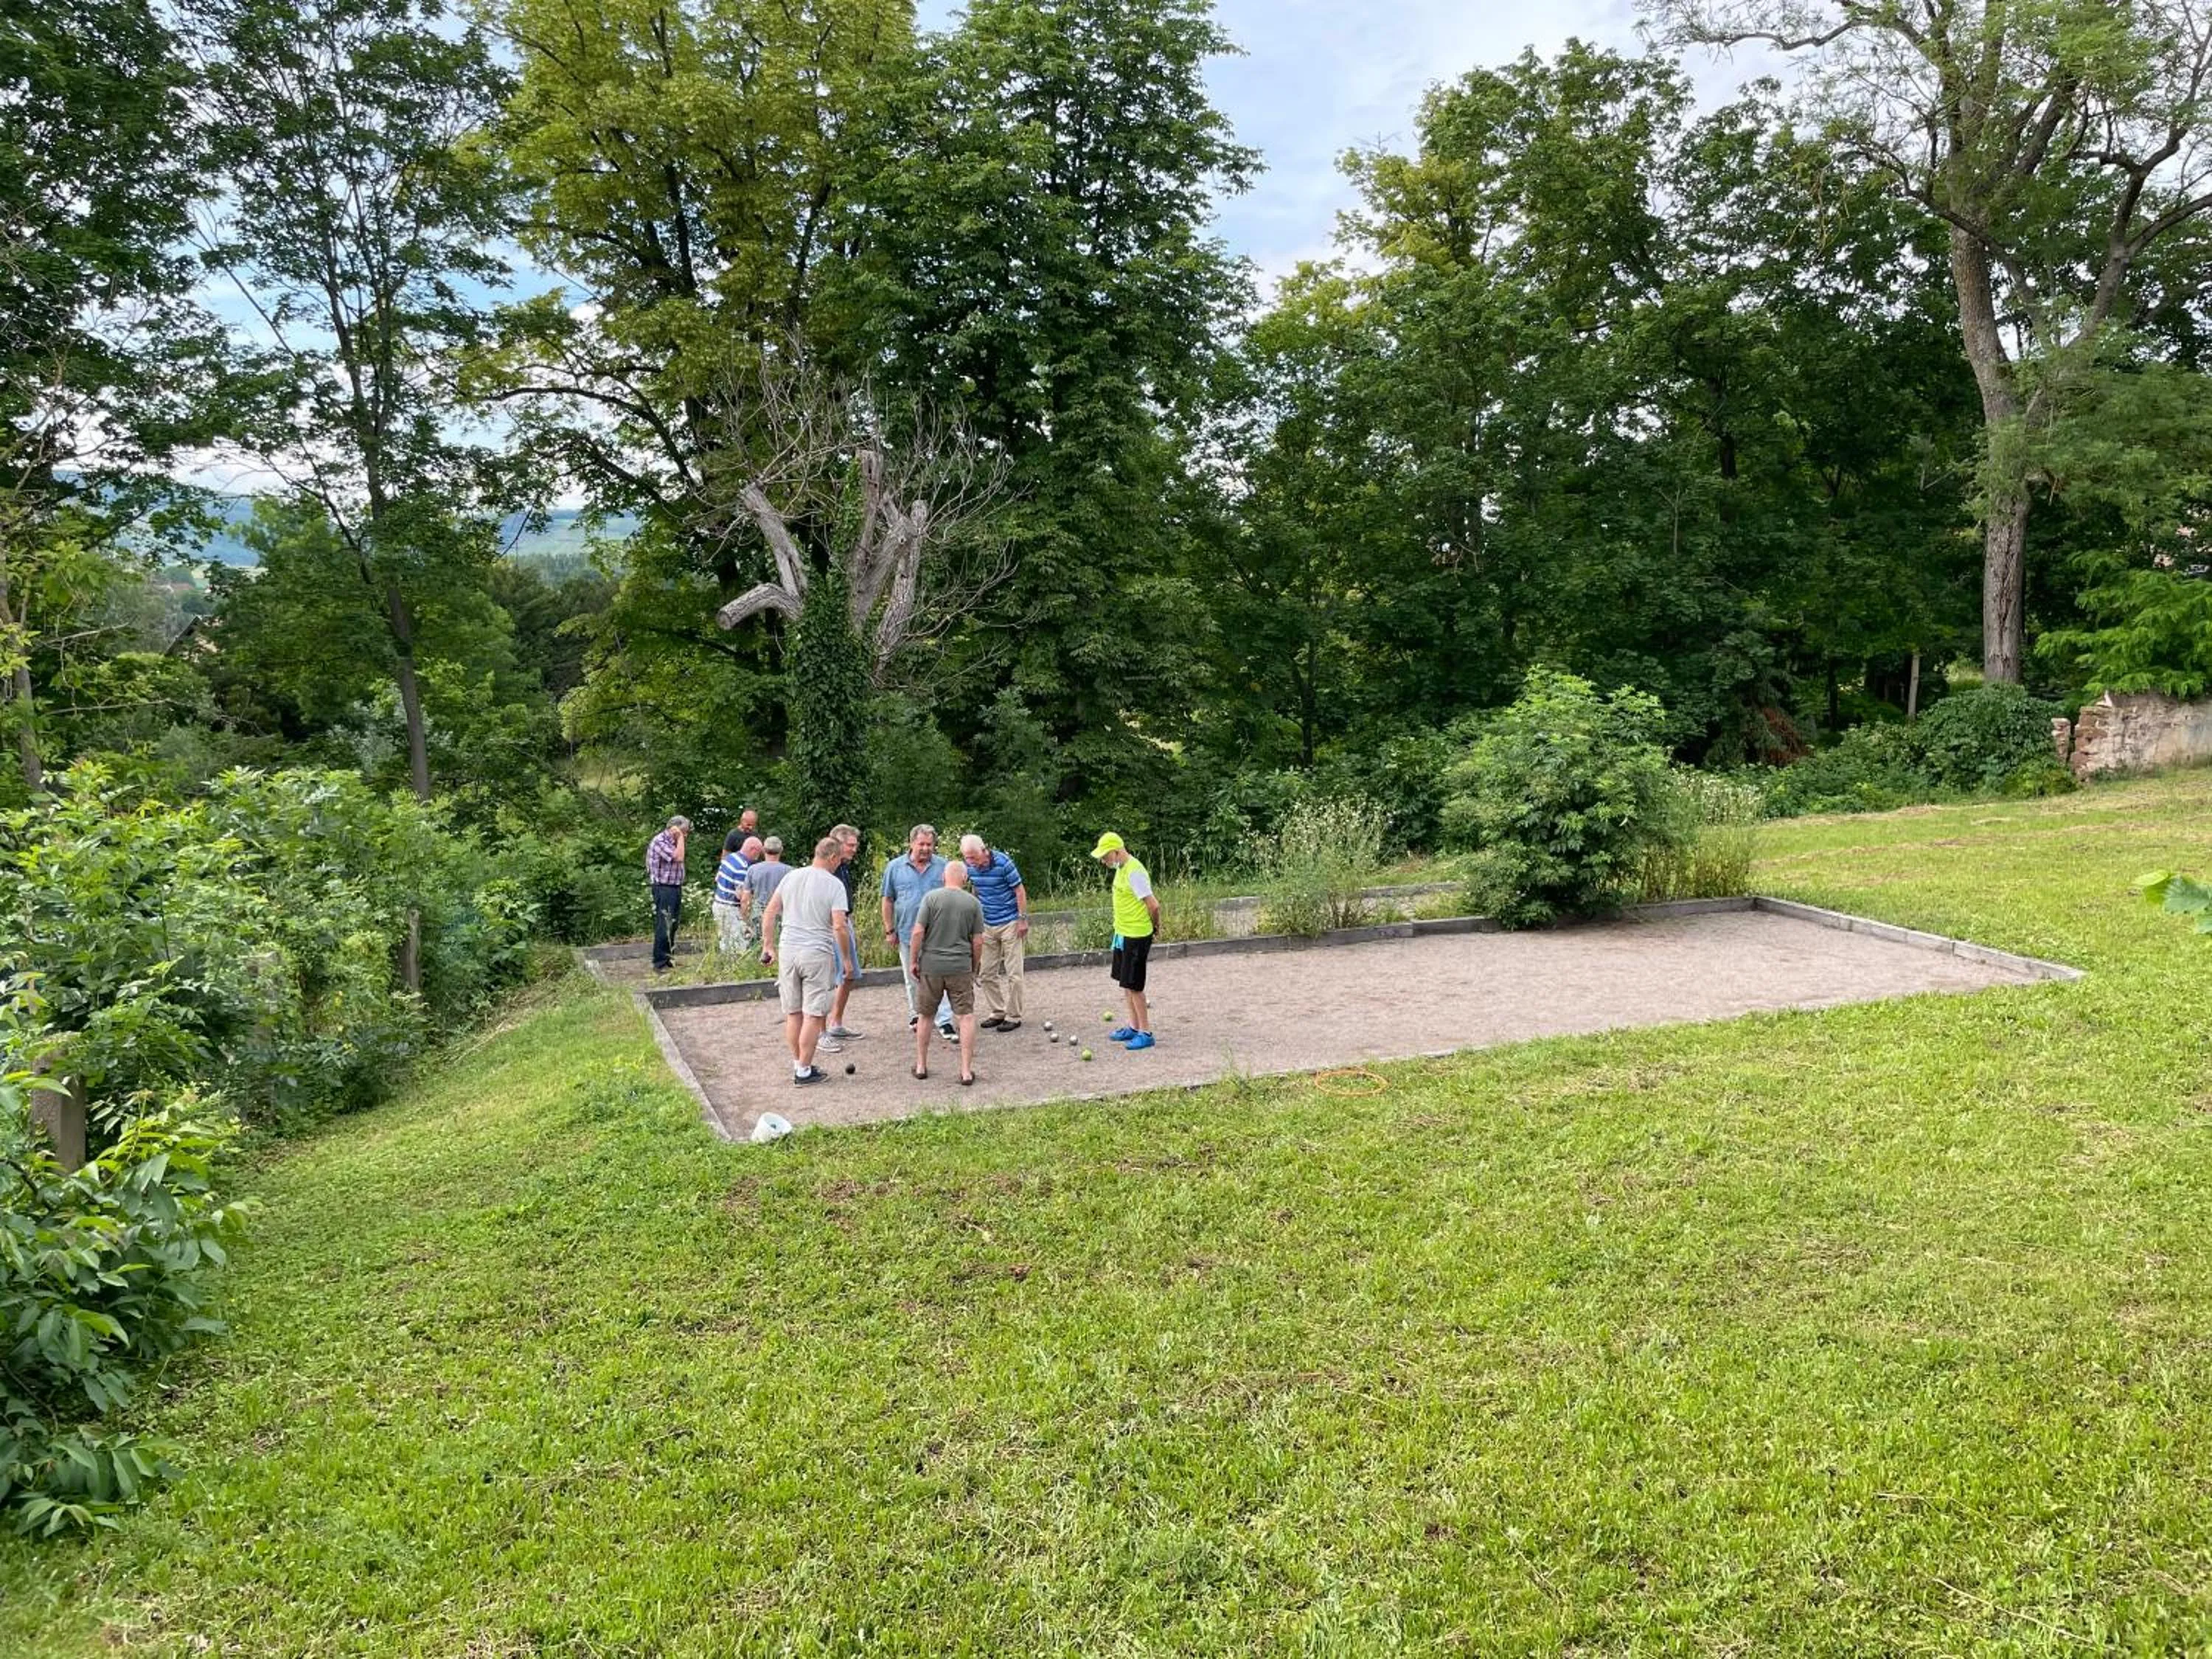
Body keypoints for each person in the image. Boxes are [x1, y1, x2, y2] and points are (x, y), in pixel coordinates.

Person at [758, 835, 854, 1086]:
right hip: (817, 953)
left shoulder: (791, 876)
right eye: (839, 860)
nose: (839, 864)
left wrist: (768, 945)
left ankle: (799, 1063)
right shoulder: (834, 885)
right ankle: (803, 1070)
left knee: (793, 1013)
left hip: (788, 950)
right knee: (813, 1014)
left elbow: (770, 912)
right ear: (832, 857)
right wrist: (845, 958)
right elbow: (839, 927)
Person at [910, 860, 985, 1085]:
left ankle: (922, 1065)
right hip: (960, 966)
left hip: (932, 966)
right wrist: (974, 966)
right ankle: (965, 1071)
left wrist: (914, 960)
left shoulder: (931, 899)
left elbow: (917, 932)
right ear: (964, 878)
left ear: (944, 877)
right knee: (966, 1017)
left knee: (925, 1016)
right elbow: (979, 941)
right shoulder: (973, 903)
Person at [880, 824, 953, 1037]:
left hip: (939, 933)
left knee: (940, 976)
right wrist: (889, 930)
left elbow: (953, 896)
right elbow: (887, 899)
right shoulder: (894, 867)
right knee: (912, 976)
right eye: (921, 844)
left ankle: (944, 1019)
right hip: (906, 932)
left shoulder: (944, 866)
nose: (925, 848)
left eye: (929, 844)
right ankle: (917, 1014)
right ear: (911, 843)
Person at [1092, 831, 1161, 1049]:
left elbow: (1154, 905)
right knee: (1126, 982)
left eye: (1105, 856)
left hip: (1137, 934)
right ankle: (1133, 1026)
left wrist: (1155, 927)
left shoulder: (1135, 871)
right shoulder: (1121, 869)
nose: (1104, 861)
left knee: (1135, 985)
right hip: (1122, 933)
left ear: (1116, 851)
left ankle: (1145, 1032)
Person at [960, 832, 1029, 1031]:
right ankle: (998, 1011)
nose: (970, 862)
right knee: (987, 972)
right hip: (987, 924)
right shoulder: (969, 868)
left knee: (1014, 973)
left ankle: (1014, 1016)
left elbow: (1019, 891)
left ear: (984, 850)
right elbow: (974, 890)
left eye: (973, 857)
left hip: (1010, 922)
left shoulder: (1003, 863)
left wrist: (1022, 919)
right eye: (967, 857)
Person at [824, 824, 866, 1043]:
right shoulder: (829, 870)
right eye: (850, 845)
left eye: (855, 845)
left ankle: (836, 1023)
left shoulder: (843, 867)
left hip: (845, 922)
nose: (854, 849)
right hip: (833, 926)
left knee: (849, 975)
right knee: (829, 978)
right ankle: (821, 1031)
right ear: (838, 844)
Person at [644, 815, 691, 973]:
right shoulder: (660, 842)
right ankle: (660, 962)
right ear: (675, 829)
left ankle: (668, 957)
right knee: (664, 924)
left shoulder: (674, 842)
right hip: (664, 888)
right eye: (684, 832)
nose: (686, 836)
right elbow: (679, 857)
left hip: (674, 887)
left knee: (673, 924)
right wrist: (680, 838)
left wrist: (679, 838)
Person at [712, 830, 762, 954]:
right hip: (730, 909)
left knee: (725, 941)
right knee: (739, 946)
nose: (759, 856)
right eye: (759, 853)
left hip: (718, 904)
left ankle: (725, 968)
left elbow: (717, 878)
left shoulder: (730, 858)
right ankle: (736, 971)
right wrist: (746, 919)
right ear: (753, 849)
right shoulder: (742, 867)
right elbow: (742, 897)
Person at [741, 836, 790, 940]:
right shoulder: (789, 871)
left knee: (758, 949)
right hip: (781, 918)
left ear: (763, 850)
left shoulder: (752, 870)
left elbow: (745, 899)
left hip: (758, 917)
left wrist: (745, 920)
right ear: (781, 850)